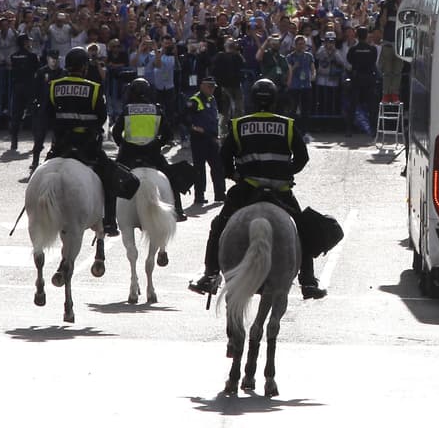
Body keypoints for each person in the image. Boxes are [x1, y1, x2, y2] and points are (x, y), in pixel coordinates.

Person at [190, 78, 326, 300]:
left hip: (247, 189)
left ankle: (210, 274)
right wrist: (285, 173)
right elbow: (302, 158)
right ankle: (308, 281)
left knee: (219, 225)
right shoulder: (288, 125)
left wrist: (233, 174)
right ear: (274, 101)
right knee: (303, 228)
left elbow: (224, 159)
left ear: (253, 100)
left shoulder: (239, 125)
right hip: (280, 191)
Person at [41, 47, 132, 236]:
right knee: (108, 178)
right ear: (84, 68)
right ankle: (109, 222)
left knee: (42, 174)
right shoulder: (94, 88)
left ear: (67, 67)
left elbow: (47, 116)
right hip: (87, 146)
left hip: (61, 145)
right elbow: (100, 118)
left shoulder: (53, 85)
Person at [111, 77, 185, 220]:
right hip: (152, 154)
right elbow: (168, 134)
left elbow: (116, 132)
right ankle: (179, 210)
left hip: (128, 154)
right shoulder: (156, 110)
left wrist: (123, 145)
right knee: (171, 177)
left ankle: (109, 219)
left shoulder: (127, 110)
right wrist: (157, 144)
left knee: (113, 180)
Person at [185, 75, 227, 206]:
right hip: (199, 139)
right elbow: (184, 118)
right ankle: (199, 196)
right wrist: (194, 128)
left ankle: (220, 194)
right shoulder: (195, 100)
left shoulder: (213, 99)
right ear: (202, 86)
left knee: (217, 167)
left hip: (212, 138)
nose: (211, 89)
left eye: (213, 87)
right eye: (209, 86)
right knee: (199, 168)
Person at [29, 49, 66, 171]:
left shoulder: (63, 73)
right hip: (44, 108)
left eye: (56, 58)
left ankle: (54, 162)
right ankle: (35, 161)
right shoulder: (41, 72)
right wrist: (34, 105)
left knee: (58, 137)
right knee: (39, 137)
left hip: (57, 108)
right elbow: (35, 90)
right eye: (52, 58)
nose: (54, 61)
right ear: (48, 59)